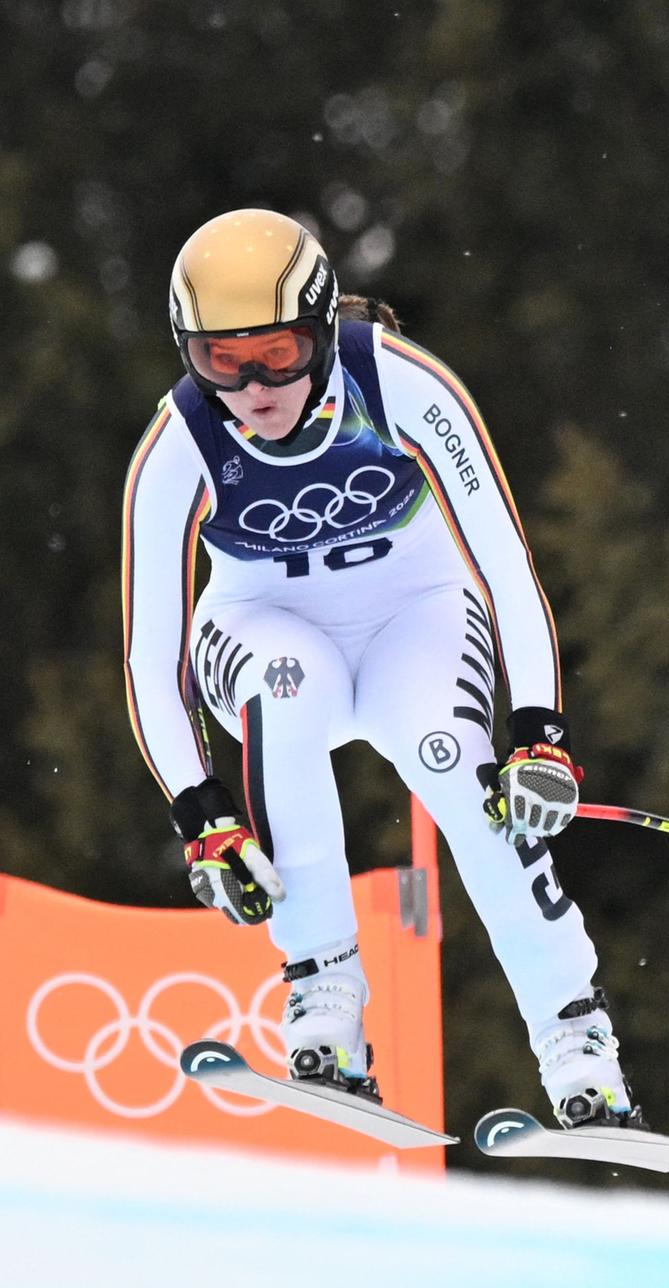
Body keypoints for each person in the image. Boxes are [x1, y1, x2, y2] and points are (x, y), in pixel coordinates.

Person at [122, 207, 640, 1129]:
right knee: (285, 701)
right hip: (265, 623)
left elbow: (506, 567)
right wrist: (201, 815)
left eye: (277, 352)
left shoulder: (400, 384)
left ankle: (577, 1049)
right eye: (220, 360)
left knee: (449, 753)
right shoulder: (179, 444)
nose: (252, 386)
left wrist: (538, 735)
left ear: (320, 327)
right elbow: (148, 655)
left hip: (419, 610)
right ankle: (325, 1006)